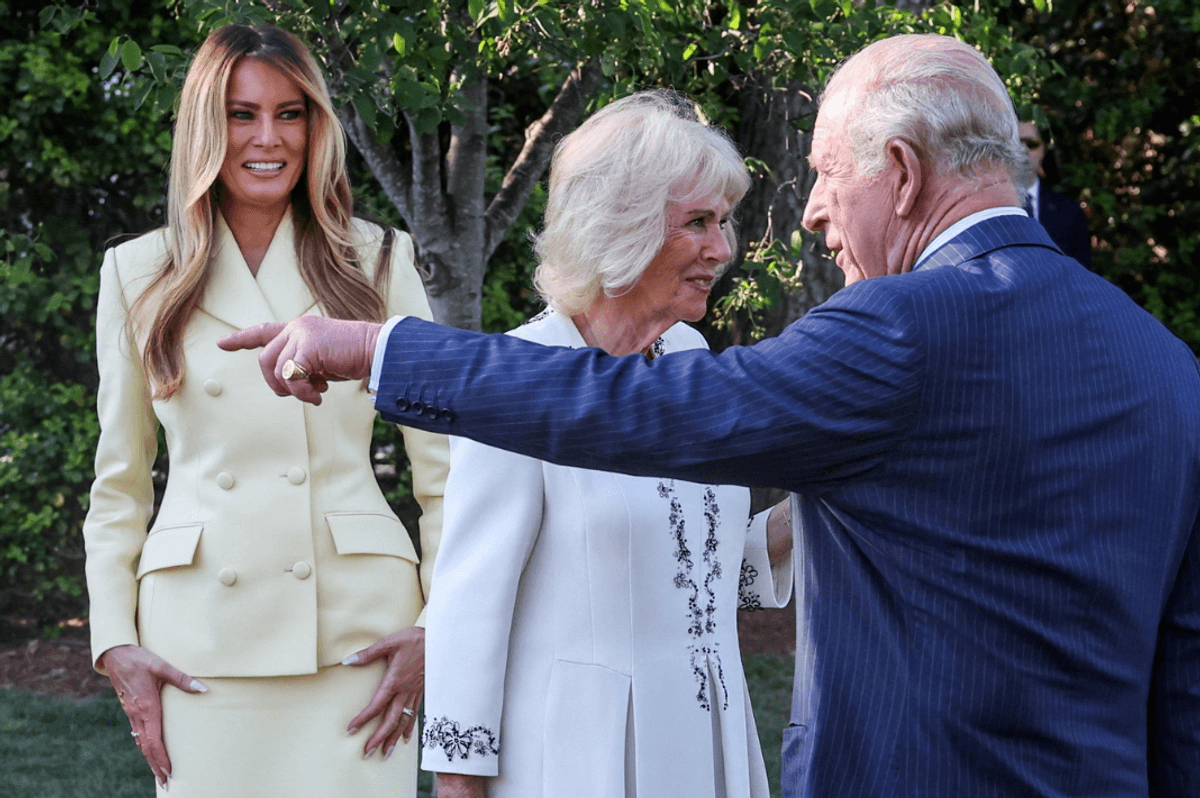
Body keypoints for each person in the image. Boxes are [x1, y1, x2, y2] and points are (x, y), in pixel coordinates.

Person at [222, 33, 1200, 798]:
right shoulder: (1165, 366)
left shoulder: (890, 333)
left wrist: (377, 346)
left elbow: (658, 423)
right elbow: (1180, 676)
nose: (809, 214)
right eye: (705, 220)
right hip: (588, 753)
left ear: (900, 173)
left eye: (827, 174)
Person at [83, 24, 449, 797]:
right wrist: (115, 640)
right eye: (243, 114)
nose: (268, 138)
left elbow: (444, 473)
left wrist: (439, 622)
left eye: (291, 113)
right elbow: (119, 485)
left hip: (357, 638)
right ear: (206, 127)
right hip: (199, 643)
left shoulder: (379, 259)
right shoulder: (138, 272)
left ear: (318, 128)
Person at [420, 91, 793, 798]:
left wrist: (805, 513)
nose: (723, 248)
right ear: (619, 225)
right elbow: (470, 606)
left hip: (709, 745)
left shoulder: (691, 358)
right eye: (698, 223)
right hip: (579, 761)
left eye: (724, 223)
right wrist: (459, 783)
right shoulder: (524, 375)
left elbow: (697, 575)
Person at [1018, 119, 1093, 267]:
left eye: (1032, 143)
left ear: (1043, 149)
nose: (1024, 149)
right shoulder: (986, 207)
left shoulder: (1069, 211)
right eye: (1017, 143)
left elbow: (1082, 272)